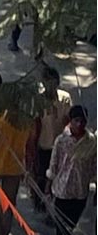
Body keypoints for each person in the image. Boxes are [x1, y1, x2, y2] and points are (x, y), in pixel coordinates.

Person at [48, 105, 95, 235]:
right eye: (76, 121)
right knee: (62, 229)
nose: (80, 124)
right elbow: (54, 163)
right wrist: (49, 185)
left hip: (80, 193)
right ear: (71, 121)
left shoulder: (91, 142)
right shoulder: (61, 140)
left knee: (69, 227)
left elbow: (94, 167)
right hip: (62, 191)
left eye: (83, 121)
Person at [31, 67, 72, 211]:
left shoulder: (64, 98)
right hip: (44, 145)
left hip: (60, 146)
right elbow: (35, 126)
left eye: (53, 82)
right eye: (47, 82)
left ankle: (55, 206)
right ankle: (40, 203)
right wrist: (32, 148)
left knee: (59, 177)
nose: (50, 86)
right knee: (42, 175)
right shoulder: (39, 101)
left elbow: (68, 121)